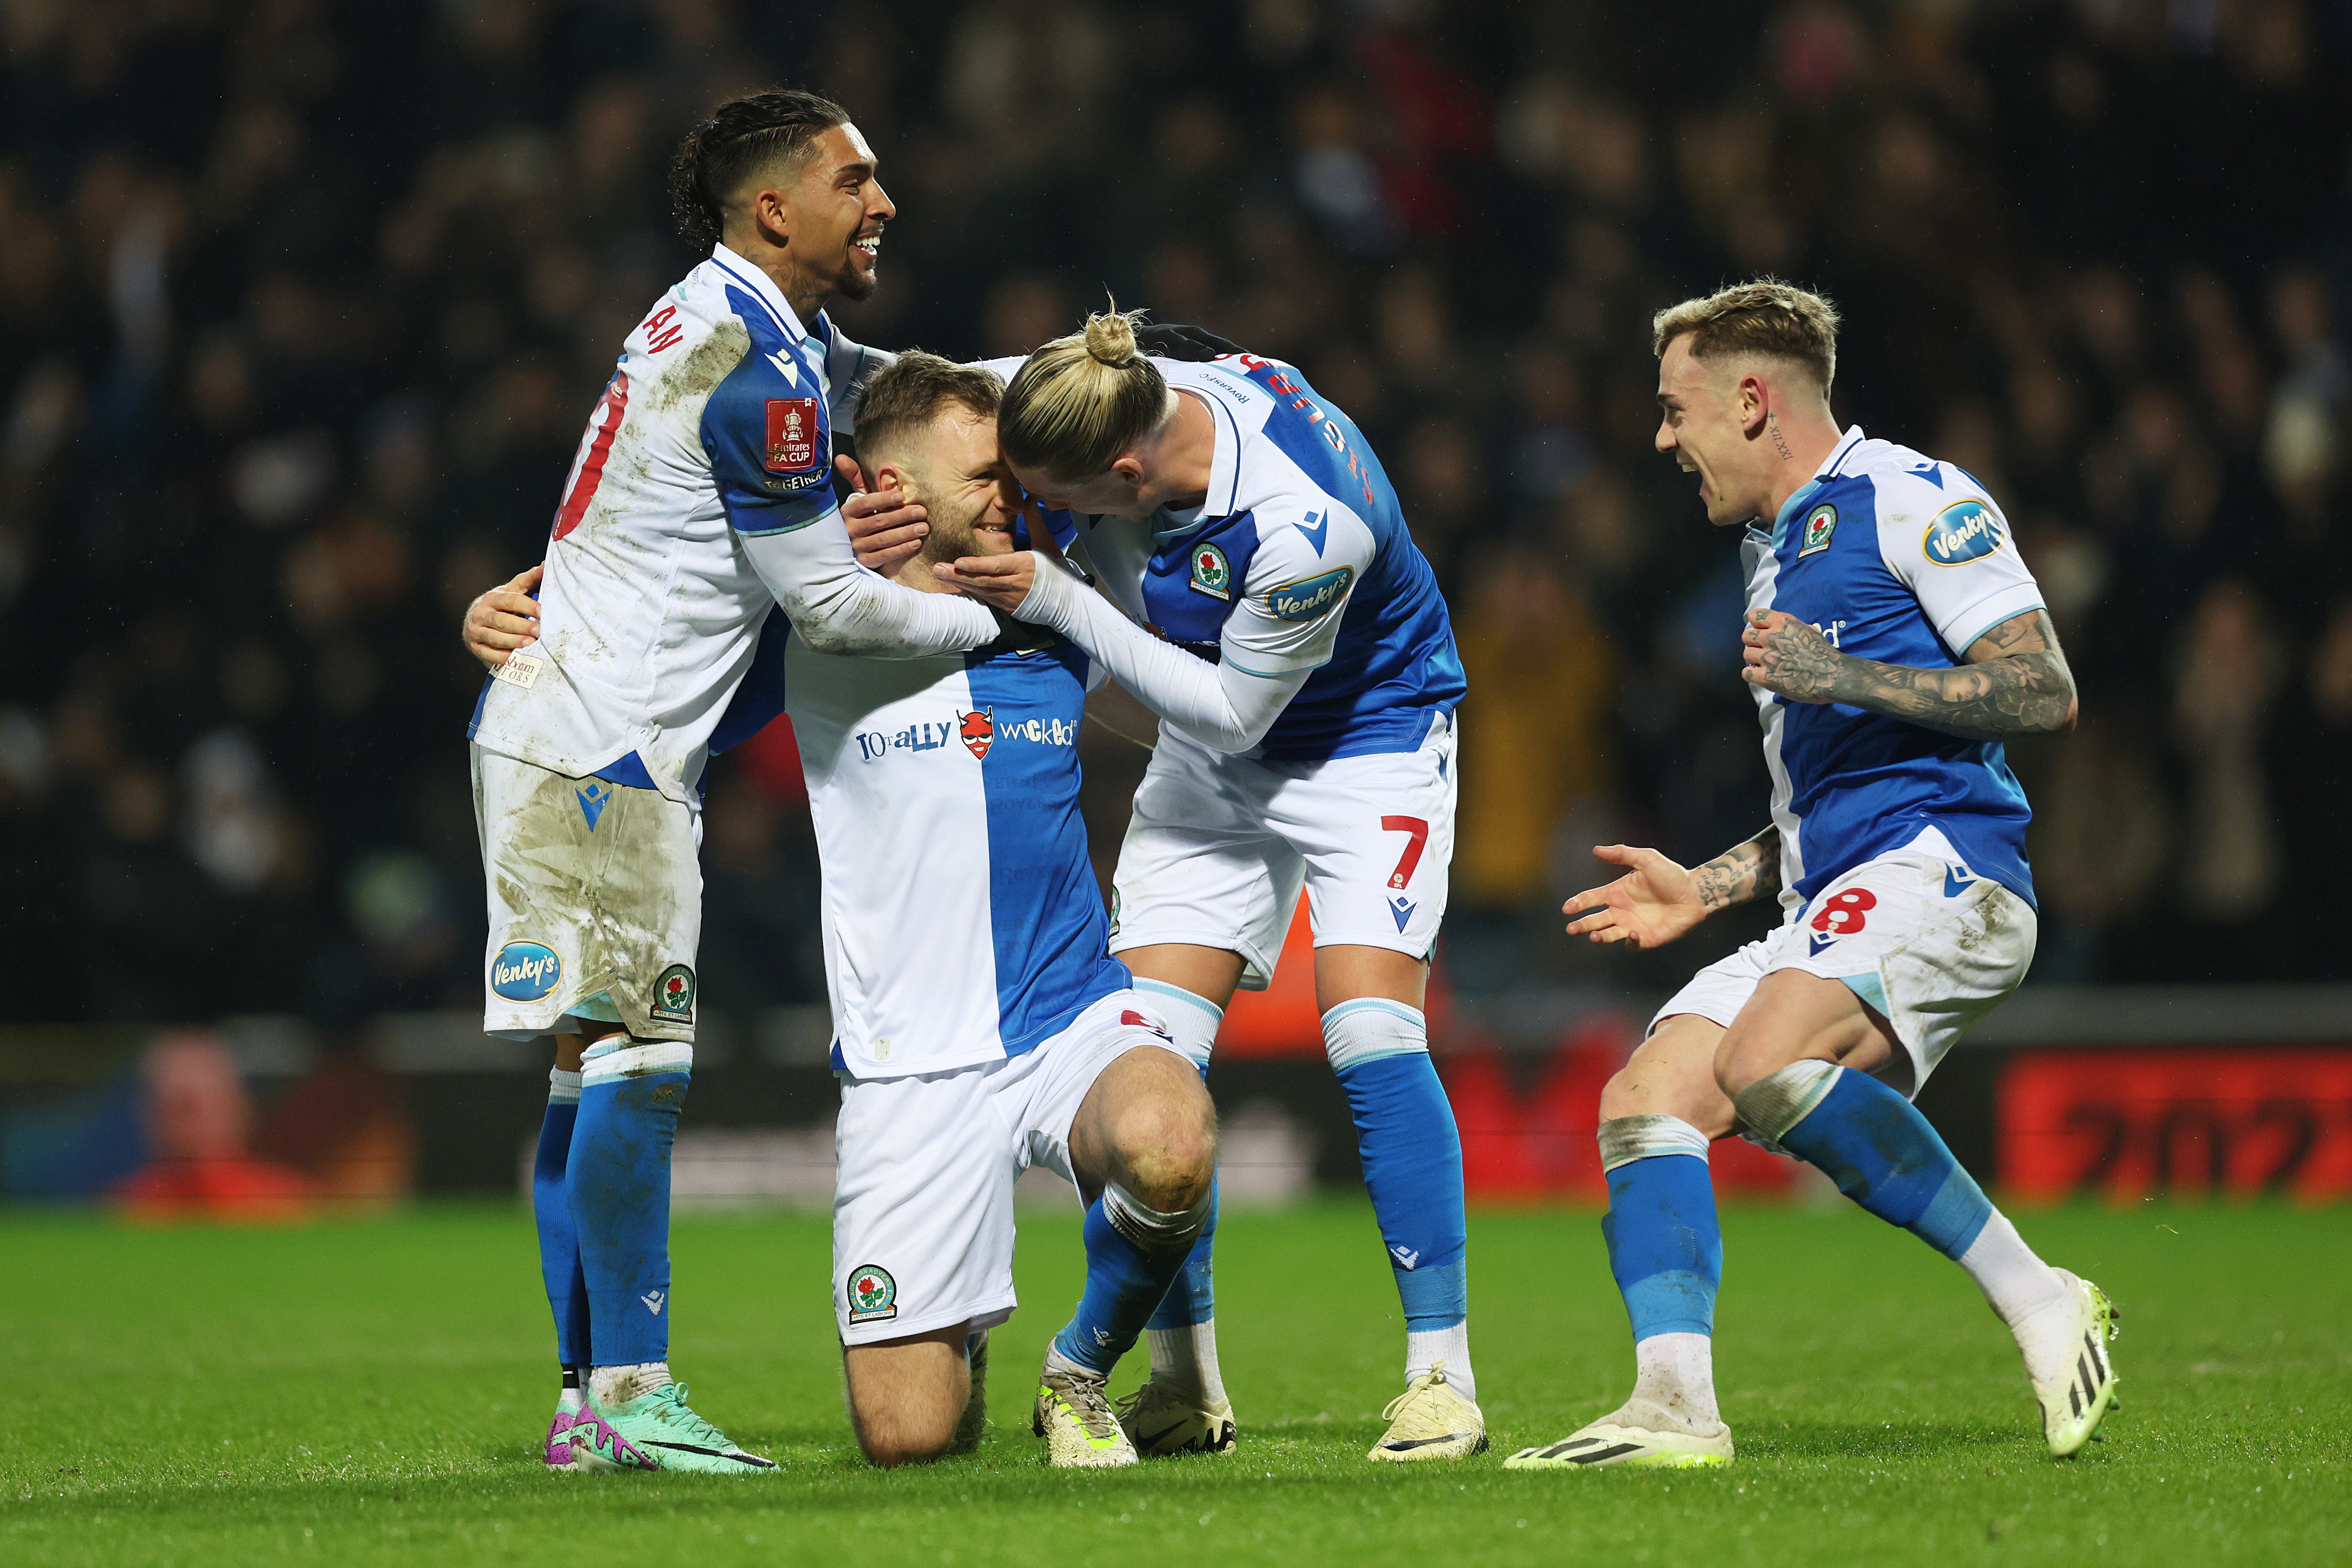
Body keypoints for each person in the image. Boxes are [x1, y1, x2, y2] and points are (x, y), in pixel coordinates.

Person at [469, 88, 1006, 1476]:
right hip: (601, 754)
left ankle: (590, 1404)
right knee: (636, 1065)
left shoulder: (753, 335)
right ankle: (630, 1391)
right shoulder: (753, 375)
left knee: (589, 1071)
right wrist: (990, 614)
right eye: (856, 179)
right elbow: (827, 603)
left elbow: (914, 380)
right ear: (775, 208)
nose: (883, 201)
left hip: (569, 732)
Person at [1501, 281, 2118, 1471]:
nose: (1660, 438)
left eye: (1675, 409)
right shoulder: (1770, 552)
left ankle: (2042, 1296)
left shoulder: (1912, 497)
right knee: (1645, 1104)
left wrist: (1844, 675)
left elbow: (2044, 688)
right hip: (1837, 893)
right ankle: (1671, 1407)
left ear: (1749, 399)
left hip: (1951, 868)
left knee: (1762, 1059)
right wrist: (1709, 884)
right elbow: (1825, 805)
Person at [907, 309, 1485, 1462]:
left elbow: (1235, 709)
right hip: (1209, 755)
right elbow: (911, 388)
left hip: (1362, 740)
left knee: (1370, 1028)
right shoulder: (1089, 384)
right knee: (1152, 1066)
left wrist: (1058, 598)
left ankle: (1442, 1379)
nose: (1049, 516)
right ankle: (1181, 1383)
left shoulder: (1307, 516)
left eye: (1065, 502)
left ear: (1126, 472)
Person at [753, 352, 1218, 1468]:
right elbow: (657, 620)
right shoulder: (813, 617)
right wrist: (512, 625)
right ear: (887, 485)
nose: (1013, 498)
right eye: (983, 478)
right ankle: (957, 1333)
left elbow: (1201, 689)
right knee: (907, 1435)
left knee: (1171, 1141)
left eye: (1016, 478)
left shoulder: (1052, 609)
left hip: (1069, 1015)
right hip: (910, 1058)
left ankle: (1078, 1370)